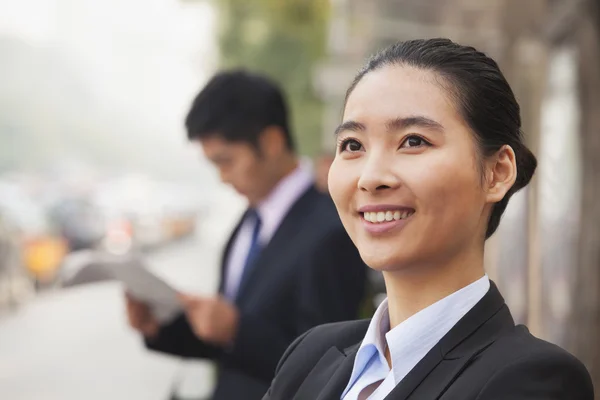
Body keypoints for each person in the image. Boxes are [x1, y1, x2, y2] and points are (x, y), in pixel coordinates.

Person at [262, 39, 594, 399]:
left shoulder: (533, 381)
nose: (371, 177)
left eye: (413, 141)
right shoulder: (310, 356)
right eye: (353, 145)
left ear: (497, 172)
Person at [125, 70, 367, 400]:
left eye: (226, 161)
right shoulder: (248, 222)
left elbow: (327, 366)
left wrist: (236, 329)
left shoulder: (331, 230)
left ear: (270, 142)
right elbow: (229, 349)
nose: (222, 178)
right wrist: (159, 328)